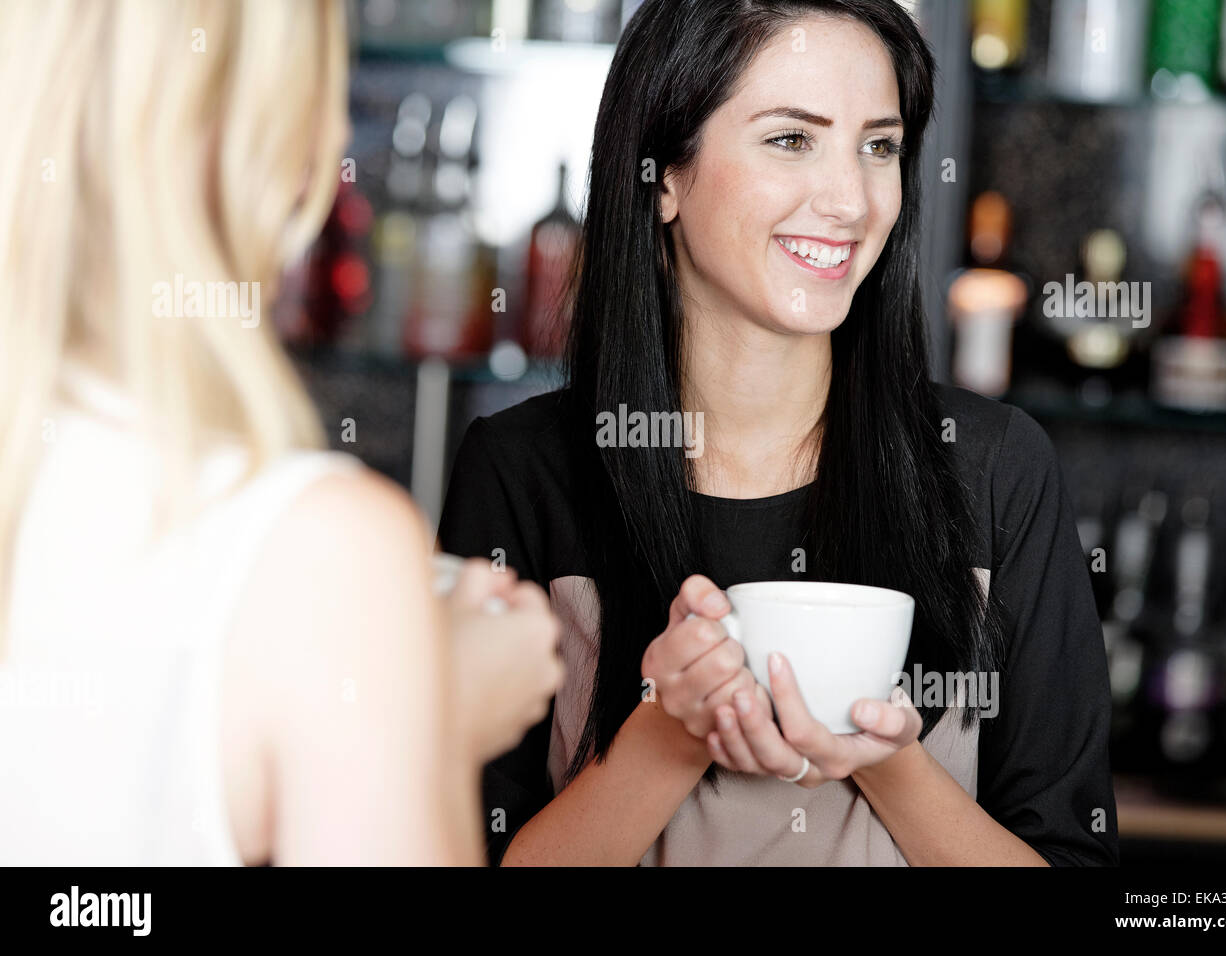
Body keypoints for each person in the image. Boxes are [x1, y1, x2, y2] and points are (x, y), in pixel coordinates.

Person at [438, 0, 1119, 866]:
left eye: (879, 147)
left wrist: (889, 763)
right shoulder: (521, 472)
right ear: (664, 175)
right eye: (792, 139)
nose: (850, 200)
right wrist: (667, 735)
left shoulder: (993, 469)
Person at [0, 0, 561, 866]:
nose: (334, 134)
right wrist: (431, 724)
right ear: (241, 128)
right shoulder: (322, 548)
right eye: (315, 89)